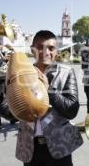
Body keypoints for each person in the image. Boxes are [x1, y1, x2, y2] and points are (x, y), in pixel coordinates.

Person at [16, 30, 82, 166]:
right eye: (40, 47)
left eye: (51, 48)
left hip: (60, 146)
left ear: (56, 51)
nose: (45, 52)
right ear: (32, 49)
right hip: (30, 148)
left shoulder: (66, 72)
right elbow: (11, 112)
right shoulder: (21, 74)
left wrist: (49, 91)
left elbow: (72, 110)